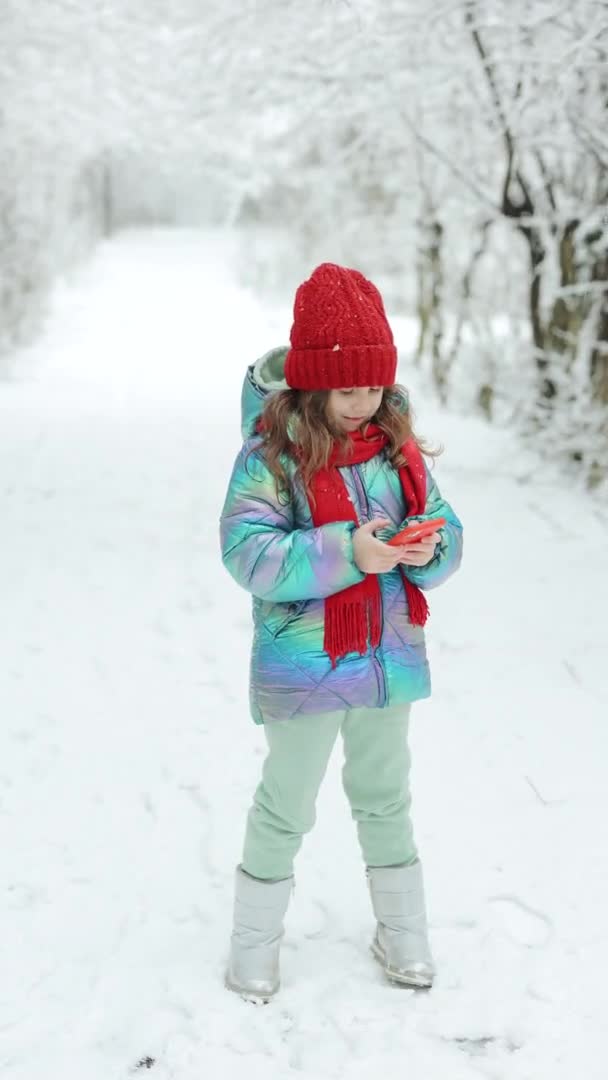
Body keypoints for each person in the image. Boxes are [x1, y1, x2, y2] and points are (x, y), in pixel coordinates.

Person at [219, 262, 463, 1003]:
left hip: (387, 660)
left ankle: (404, 932)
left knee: (386, 793)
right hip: (306, 666)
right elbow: (248, 553)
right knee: (287, 800)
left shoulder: (399, 453)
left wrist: (430, 549)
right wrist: (343, 552)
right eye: (349, 388)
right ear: (312, 384)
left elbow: (448, 527)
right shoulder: (271, 457)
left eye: (376, 387)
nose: (365, 403)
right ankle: (253, 946)